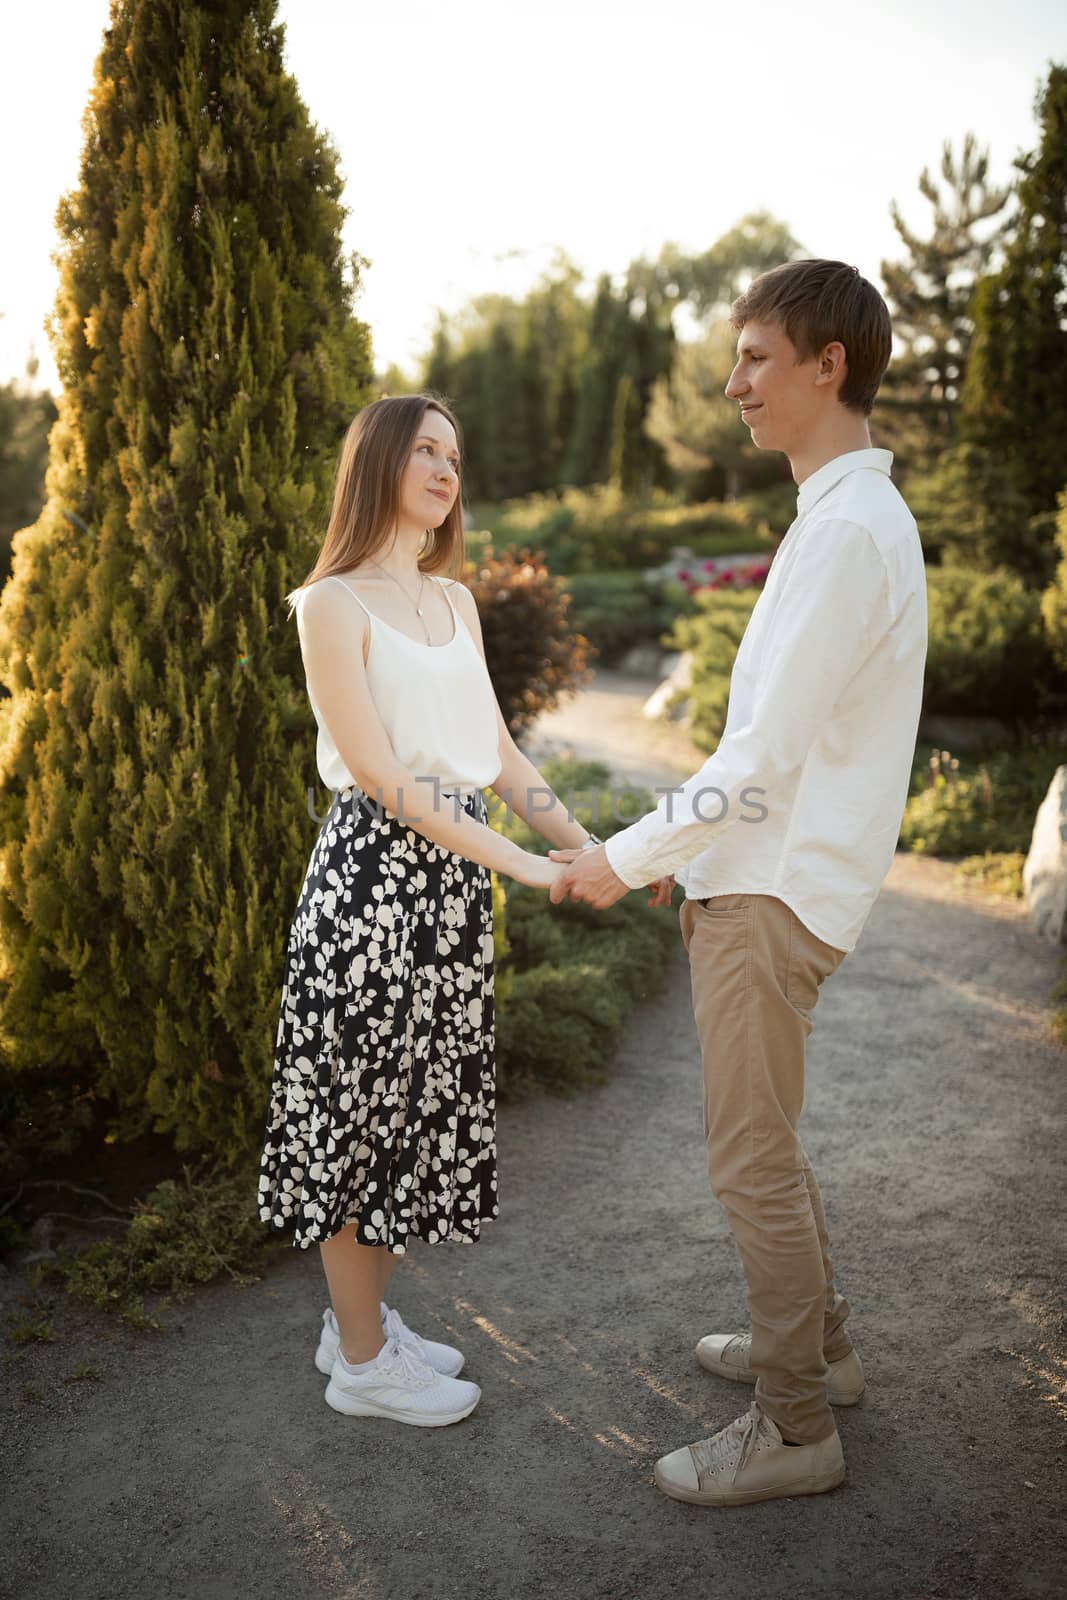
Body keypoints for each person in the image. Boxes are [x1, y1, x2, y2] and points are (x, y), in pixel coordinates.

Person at [550, 260, 928, 1506]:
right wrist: (690, 854)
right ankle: (816, 1351)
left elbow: (760, 760)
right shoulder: (835, 517)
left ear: (830, 364)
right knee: (766, 1147)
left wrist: (622, 857)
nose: (732, 383)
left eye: (756, 357)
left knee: (748, 1162)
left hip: (771, 897)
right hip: (755, 876)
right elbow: (771, 745)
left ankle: (795, 1426)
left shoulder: (850, 530)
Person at [256, 394, 645, 1428]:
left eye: (455, 454)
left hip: (448, 884)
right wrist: (518, 862)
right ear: (378, 460)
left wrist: (586, 847)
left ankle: (363, 1322)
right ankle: (359, 1361)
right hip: (371, 885)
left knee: (407, 1113)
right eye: (424, 448)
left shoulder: (454, 601)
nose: (443, 467)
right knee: (356, 1118)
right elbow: (382, 774)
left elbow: (501, 757)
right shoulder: (328, 603)